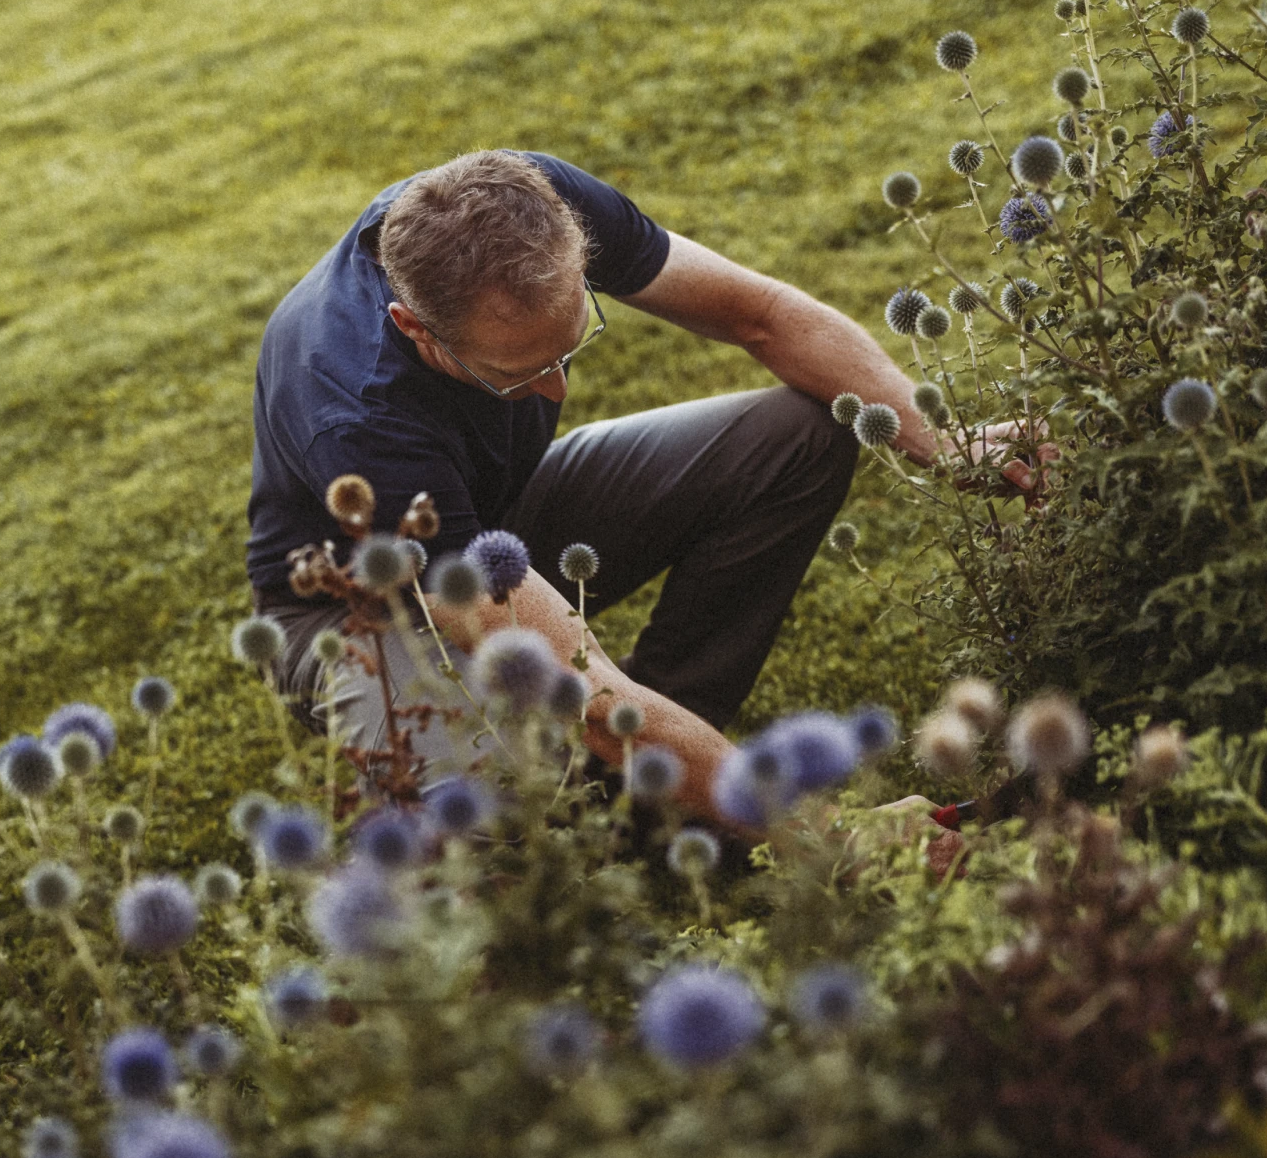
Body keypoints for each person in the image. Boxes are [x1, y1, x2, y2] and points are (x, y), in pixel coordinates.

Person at [244, 148, 936, 821]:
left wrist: (950, 442)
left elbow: (760, 314)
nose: (558, 387)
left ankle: (663, 779)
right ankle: (670, 788)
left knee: (796, 436)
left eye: (570, 346)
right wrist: (835, 839)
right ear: (414, 330)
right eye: (514, 374)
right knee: (498, 811)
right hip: (355, 611)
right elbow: (587, 697)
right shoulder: (355, 411)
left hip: (494, 516)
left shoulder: (523, 204)